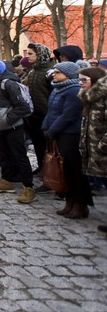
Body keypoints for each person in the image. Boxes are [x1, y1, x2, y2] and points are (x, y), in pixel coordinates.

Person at [42, 62, 90, 218]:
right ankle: (69, 201)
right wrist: (46, 127)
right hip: (58, 133)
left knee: (74, 170)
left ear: (68, 74)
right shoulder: (58, 88)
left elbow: (68, 115)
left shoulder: (74, 90)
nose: (54, 74)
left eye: (58, 72)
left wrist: (53, 129)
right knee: (65, 170)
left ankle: (80, 204)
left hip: (70, 134)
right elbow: (51, 111)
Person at [0, 60, 35, 203]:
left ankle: (28, 187)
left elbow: (23, 107)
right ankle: (6, 181)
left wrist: (8, 119)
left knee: (20, 156)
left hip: (12, 127)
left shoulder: (8, 84)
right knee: (3, 155)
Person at [78, 67, 107, 233]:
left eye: (84, 80)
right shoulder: (89, 98)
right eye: (79, 80)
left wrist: (103, 145)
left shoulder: (103, 98)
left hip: (102, 148)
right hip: (94, 149)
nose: (80, 84)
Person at [23, 43, 55, 183]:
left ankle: (51, 173)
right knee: (38, 145)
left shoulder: (50, 72)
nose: (27, 56)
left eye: (30, 54)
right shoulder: (33, 71)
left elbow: (54, 95)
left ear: (40, 55)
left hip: (47, 116)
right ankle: (42, 168)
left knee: (49, 147)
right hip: (34, 115)